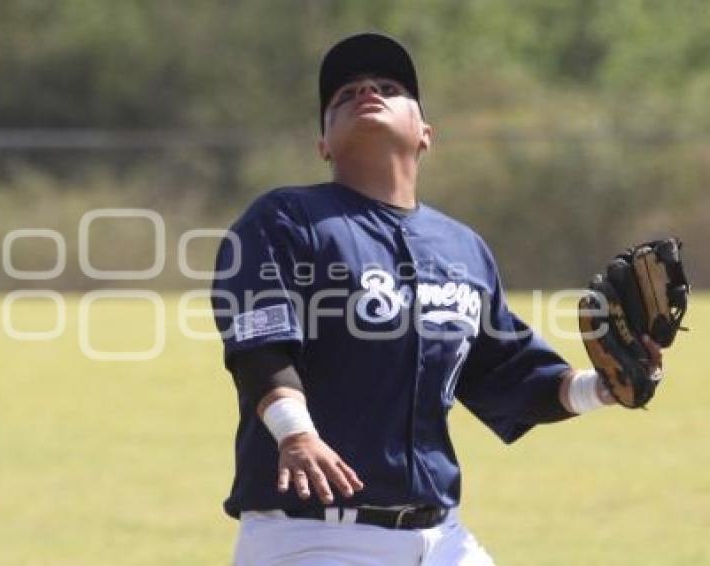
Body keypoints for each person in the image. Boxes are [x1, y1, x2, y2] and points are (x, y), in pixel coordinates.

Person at [210, 32, 662, 565]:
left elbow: (507, 373)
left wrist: (603, 387)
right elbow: (260, 340)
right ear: (324, 145)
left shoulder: (462, 248)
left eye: (387, 86)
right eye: (343, 94)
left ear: (425, 133)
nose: (366, 91)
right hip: (314, 537)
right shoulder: (287, 219)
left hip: (442, 538)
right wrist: (295, 434)